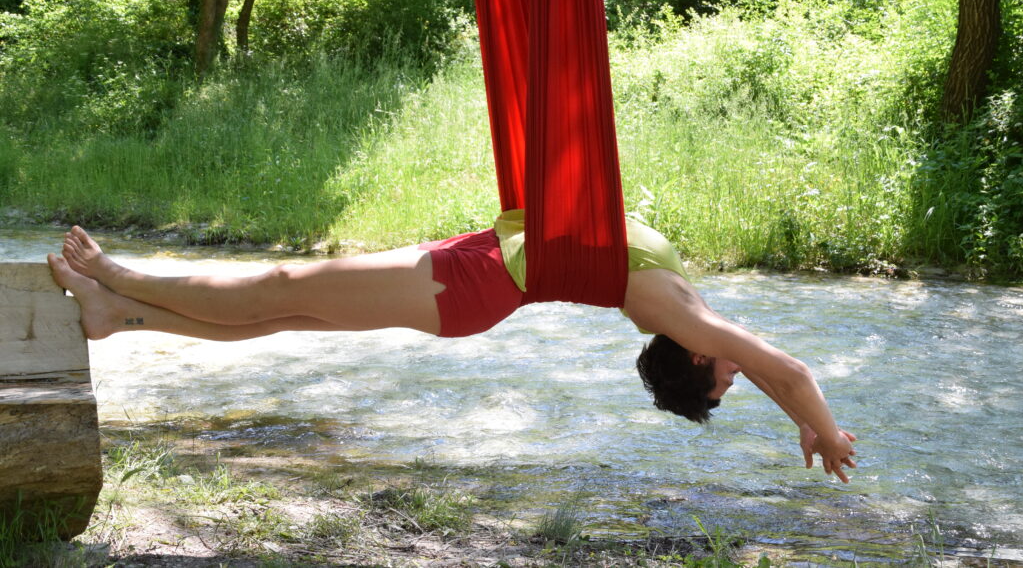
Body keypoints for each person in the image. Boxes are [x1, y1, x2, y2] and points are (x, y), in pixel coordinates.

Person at [48, 211, 857, 483]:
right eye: (731, 381)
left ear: (695, 356)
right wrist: (806, 421)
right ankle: (120, 314)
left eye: (723, 382)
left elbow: (786, 369)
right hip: (474, 274)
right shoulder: (689, 312)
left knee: (285, 284)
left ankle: (118, 277)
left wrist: (824, 429)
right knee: (285, 316)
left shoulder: (673, 311)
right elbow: (778, 372)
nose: (738, 372)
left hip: (469, 287)